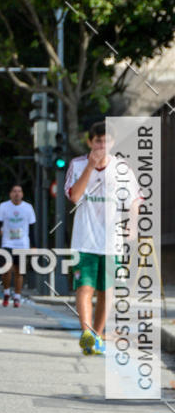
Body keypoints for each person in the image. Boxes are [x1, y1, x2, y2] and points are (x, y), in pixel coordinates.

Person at [65, 120, 139, 355]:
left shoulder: (122, 169)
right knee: (84, 288)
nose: (102, 145)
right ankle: (86, 333)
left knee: (106, 291)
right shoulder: (77, 165)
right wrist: (90, 167)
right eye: (98, 141)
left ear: (113, 142)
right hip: (84, 240)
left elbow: (134, 200)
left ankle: (96, 335)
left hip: (112, 241)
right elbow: (75, 196)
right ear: (90, 141)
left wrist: (133, 225)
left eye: (106, 141)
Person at [0, 184, 36, 307]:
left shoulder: (28, 208)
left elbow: (32, 227)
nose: (17, 193)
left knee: (20, 272)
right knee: (6, 269)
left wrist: (33, 245)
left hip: (23, 244)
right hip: (7, 243)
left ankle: (17, 296)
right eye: (14, 191)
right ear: (10, 194)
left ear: (22, 194)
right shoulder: (3, 206)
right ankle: (7, 292)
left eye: (19, 191)